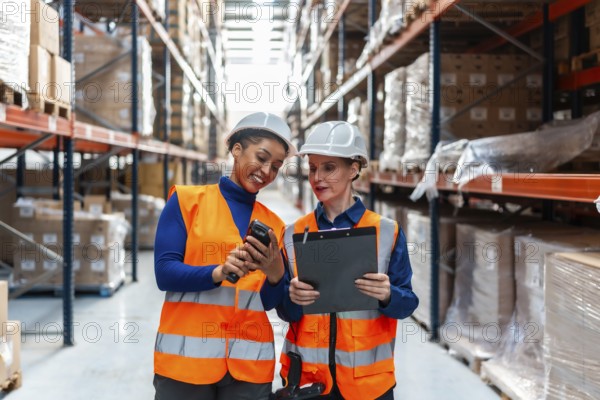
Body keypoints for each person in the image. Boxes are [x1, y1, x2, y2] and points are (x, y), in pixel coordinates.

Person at [153, 112, 297, 400]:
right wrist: (216, 273)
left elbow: (271, 304)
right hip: (186, 365)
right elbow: (164, 272)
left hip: (249, 366)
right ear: (236, 149)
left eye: (276, 166)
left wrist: (275, 273)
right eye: (262, 157)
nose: (267, 171)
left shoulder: (276, 226)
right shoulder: (186, 202)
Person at [277, 121, 419, 400]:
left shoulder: (386, 231)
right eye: (313, 168)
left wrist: (388, 295)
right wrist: (291, 297)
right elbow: (286, 312)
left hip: (367, 386)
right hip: (308, 381)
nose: (318, 177)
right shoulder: (293, 233)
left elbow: (408, 303)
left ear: (354, 169)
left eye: (329, 167)